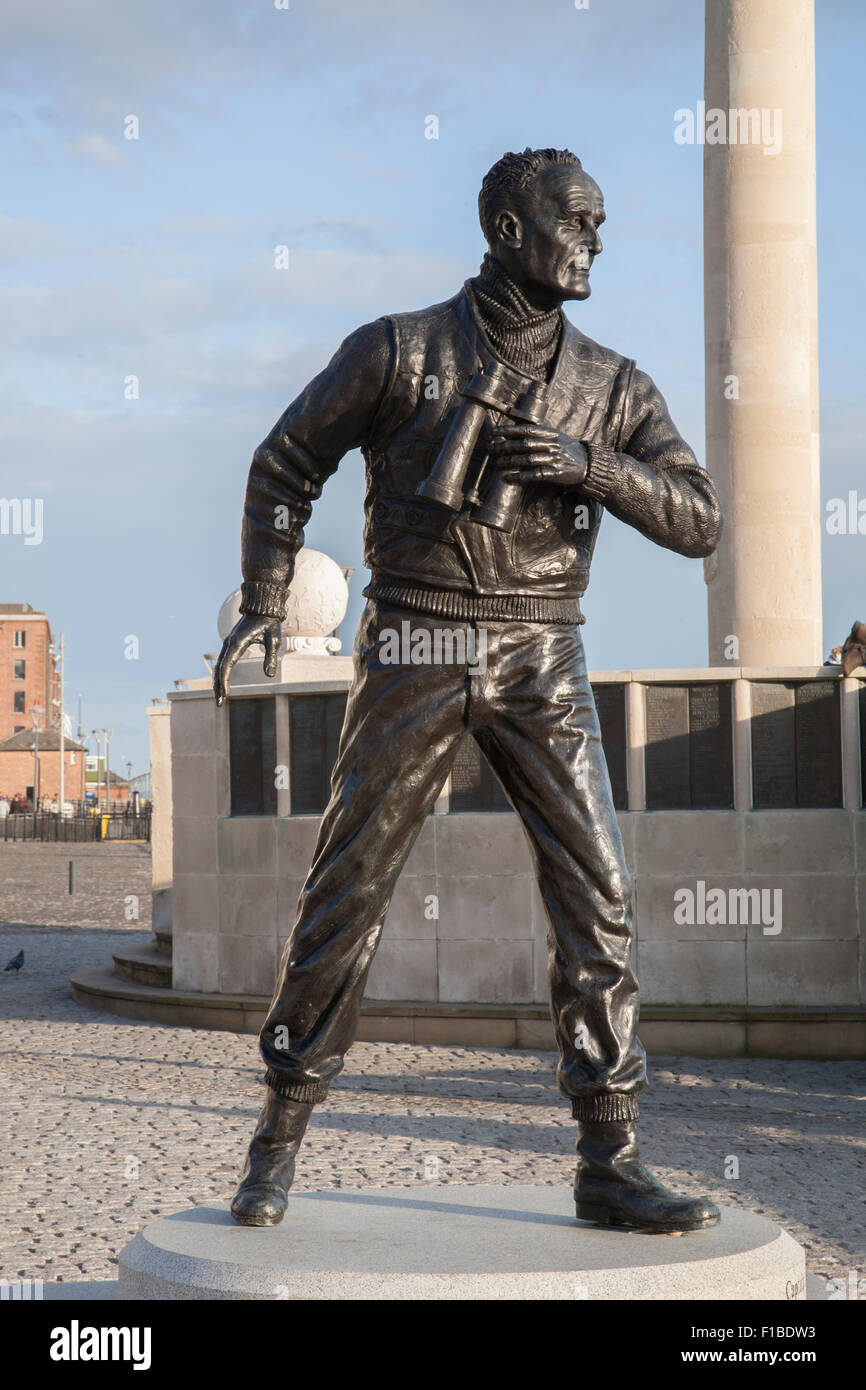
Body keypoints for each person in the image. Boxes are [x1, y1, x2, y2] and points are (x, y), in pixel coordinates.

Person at [214, 147, 723, 1233]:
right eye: (574, 220)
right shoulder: (399, 350)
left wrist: (589, 467)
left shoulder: (613, 383)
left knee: (599, 896)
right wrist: (266, 593)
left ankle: (608, 1157)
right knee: (347, 889)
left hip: (544, 645)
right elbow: (284, 460)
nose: (594, 239)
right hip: (415, 637)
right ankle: (277, 1137)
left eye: (599, 223)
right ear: (506, 228)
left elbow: (698, 518)